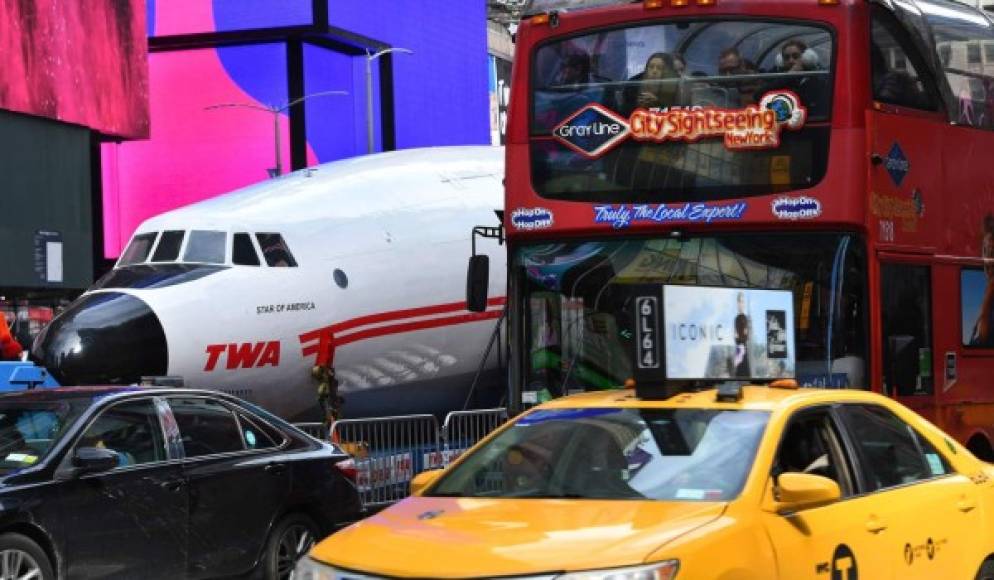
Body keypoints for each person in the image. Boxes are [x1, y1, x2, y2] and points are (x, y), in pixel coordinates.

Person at [732, 292, 751, 378]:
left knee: (744, 372)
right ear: (737, 303)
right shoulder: (736, 319)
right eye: (739, 301)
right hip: (739, 349)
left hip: (743, 349)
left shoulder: (745, 318)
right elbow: (736, 336)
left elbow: (745, 336)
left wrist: (741, 339)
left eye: (742, 302)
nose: (741, 304)